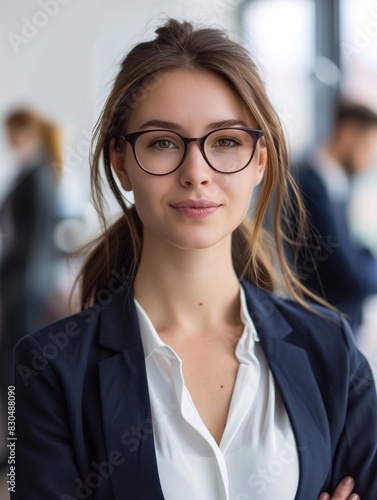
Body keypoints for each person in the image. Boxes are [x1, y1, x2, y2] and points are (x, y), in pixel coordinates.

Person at [12, 19, 377, 500]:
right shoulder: (49, 369)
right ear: (121, 161)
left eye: (226, 141)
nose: (196, 173)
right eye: (163, 142)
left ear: (259, 160)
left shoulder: (332, 350)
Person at [0, 108, 63, 467]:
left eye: (13, 132)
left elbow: (35, 241)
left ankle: (18, 455)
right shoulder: (29, 173)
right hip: (18, 285)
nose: (9, 141)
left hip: (25, 287)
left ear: (28, 131)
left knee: (18, 373)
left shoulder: (38, 175)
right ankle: (13, 449)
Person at [291, 103, 377, 330]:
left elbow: (351, 250)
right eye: (369, 146)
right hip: (325, 326)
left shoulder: (331, 182)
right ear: (348, 133)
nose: (370, 159)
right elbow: (347, 273)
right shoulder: (310, 186)